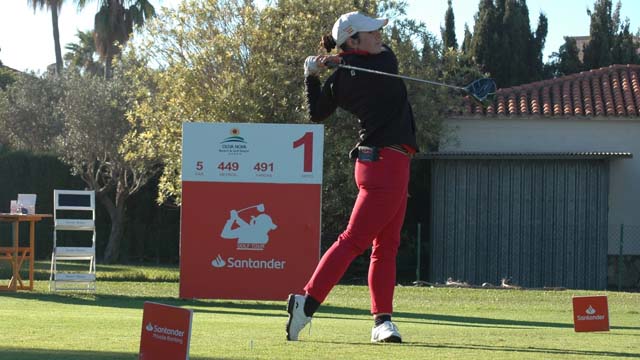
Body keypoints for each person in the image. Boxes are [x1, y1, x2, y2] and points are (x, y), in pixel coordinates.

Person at [286, 11, 418, 343]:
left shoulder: (342, 77)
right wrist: (329, 66)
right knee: (354, 241)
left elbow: (317, 110)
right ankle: (307, 302)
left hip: (388, 162)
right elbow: (319, 114)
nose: (380, 37)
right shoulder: (379, 64)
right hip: (384, 163)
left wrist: (313, 74)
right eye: (371, 33)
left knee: (385, 246)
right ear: (354, 40)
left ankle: (382, 322)